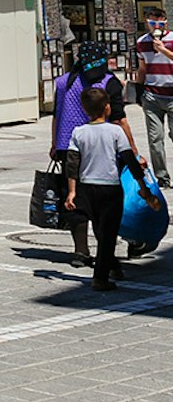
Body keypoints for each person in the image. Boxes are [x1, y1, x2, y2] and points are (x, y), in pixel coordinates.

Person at [66, 85, 163, 291]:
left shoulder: (78, 132)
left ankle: (113, 266)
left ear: (84, 109)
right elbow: (129, 159)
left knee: (101, 232)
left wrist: (72, 191)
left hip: (86, 188)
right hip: (110, 188)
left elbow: (72, 163)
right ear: (108, 108)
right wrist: (142, 186)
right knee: (108, 234)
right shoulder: (116, 131)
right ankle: (100, 278)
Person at [52, 42, 139, 268]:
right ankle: (105, 254)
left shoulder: (64, 81)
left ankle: (81, 250)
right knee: (104, 203)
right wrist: (134, 150)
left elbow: (56, 114)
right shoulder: (109, 83)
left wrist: (54, 144)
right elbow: (119, 118)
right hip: (102, 148)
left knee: (75, 199)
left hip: (68, 146)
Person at [134, 7, 173, 185]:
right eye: (152, 22)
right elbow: (142, 68)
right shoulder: (141, 42)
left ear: (165, 22)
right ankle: (162, 177)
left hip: (171, 94)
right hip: (152, 95)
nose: (155, 25)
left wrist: (163, 50)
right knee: (155, 138)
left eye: (159, 21)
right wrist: (138, 91)